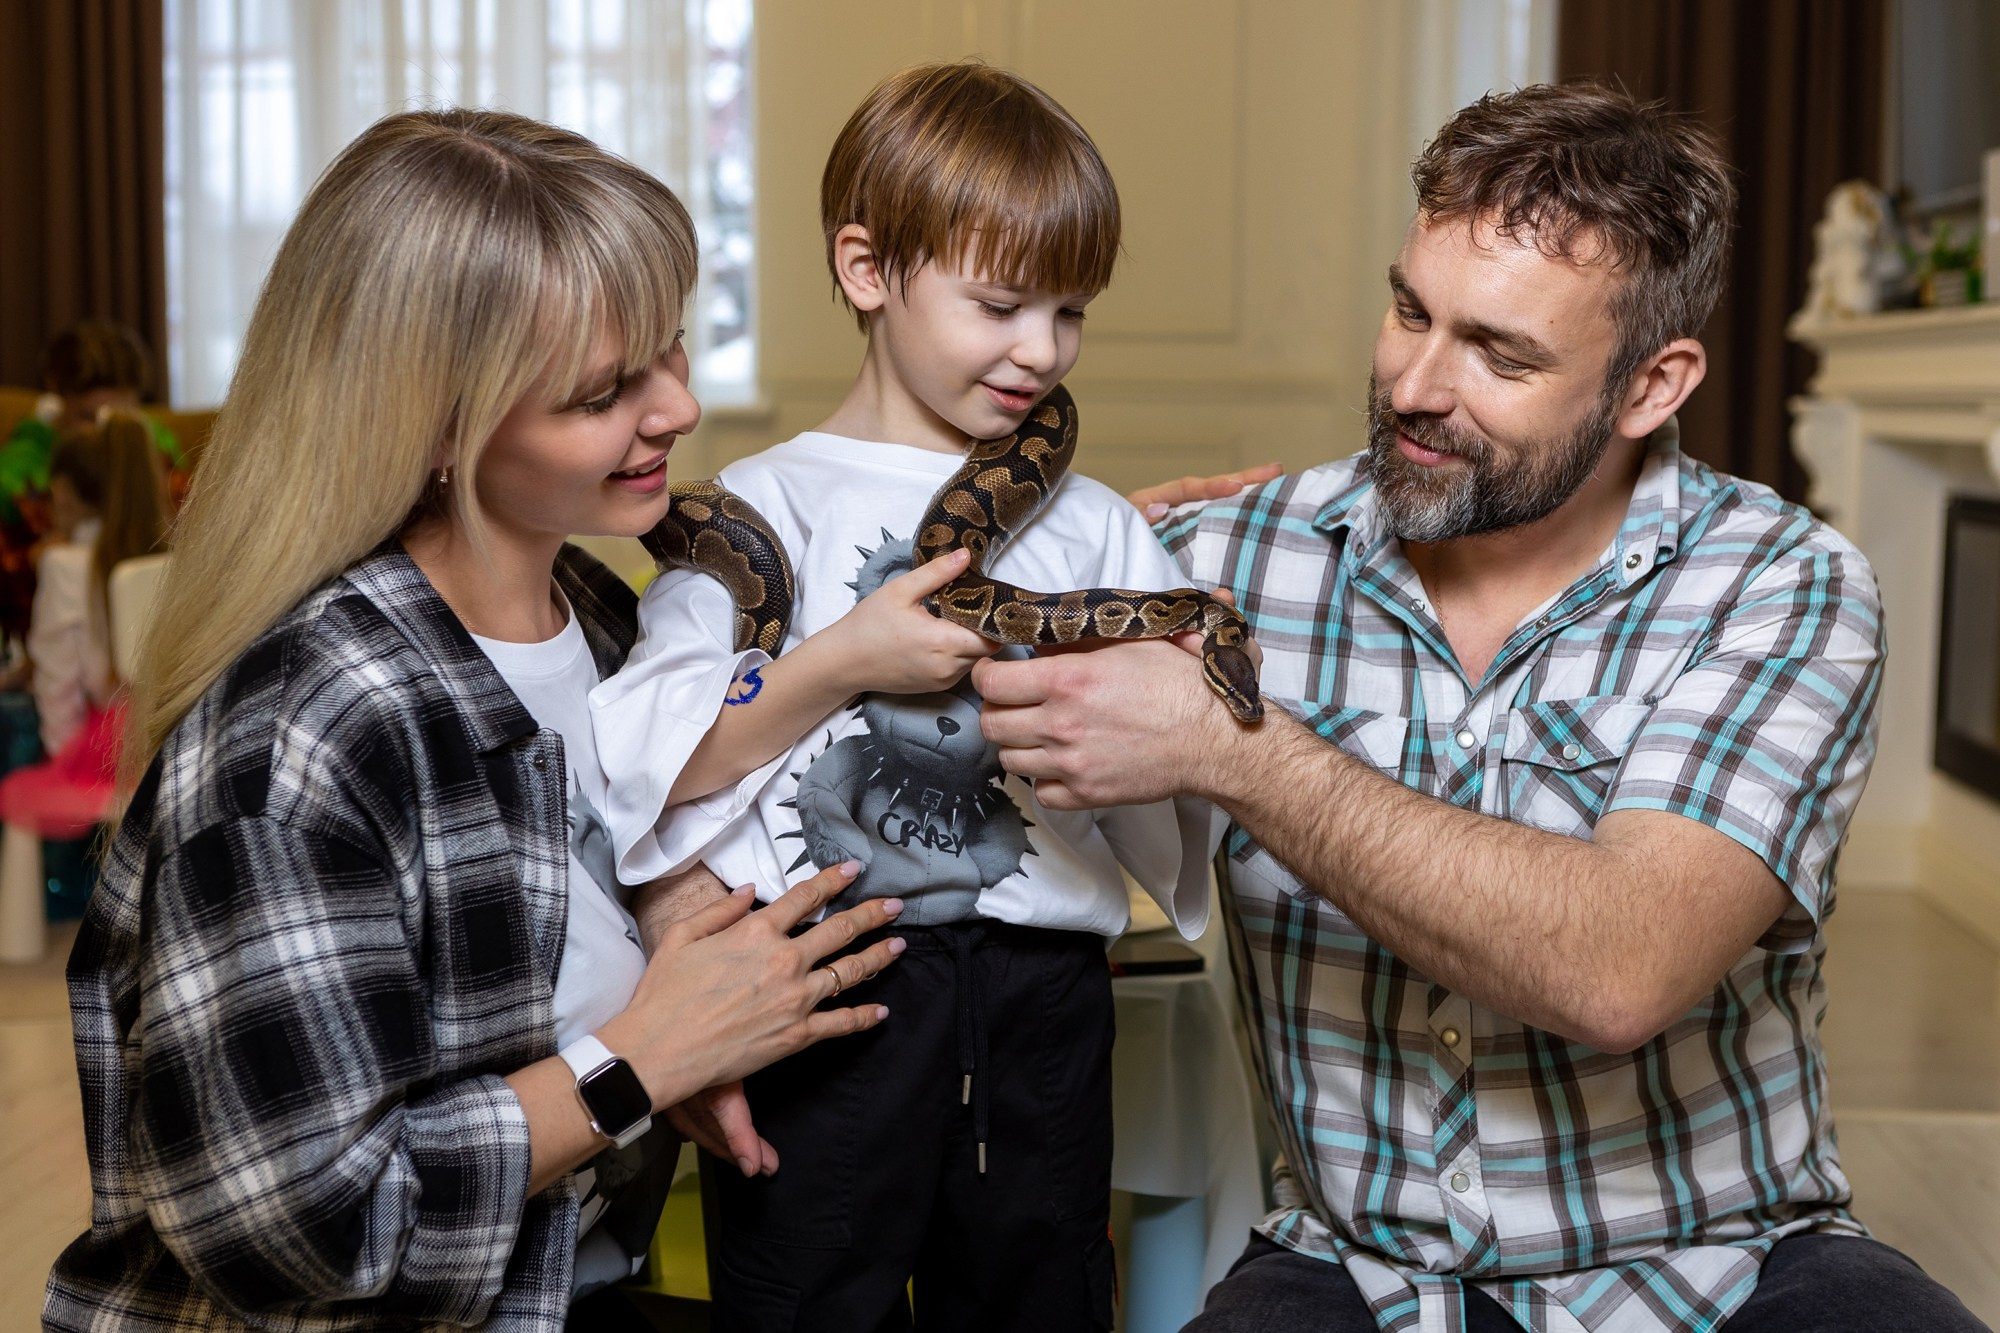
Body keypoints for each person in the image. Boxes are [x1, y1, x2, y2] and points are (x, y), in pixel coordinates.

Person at [974, 83, 1989, 1332]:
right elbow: (899, 683)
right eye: (1409, 310)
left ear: (1648, 385)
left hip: (1730, 1267)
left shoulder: (1781, 584)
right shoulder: (1216, 564)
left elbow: (1623, 965)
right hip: (1353, 1272)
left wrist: (1232, 750)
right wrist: (1067, 557)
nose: (1412, 383)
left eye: (1500, 353)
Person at [44, 109, 909, 1331]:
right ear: (440, 422)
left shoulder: (604, 620)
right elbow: (296, 1225)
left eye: (668, 348)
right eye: (606, 389)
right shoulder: (299, 738)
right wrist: (638, 1062)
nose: (677, 409)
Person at [589, 61, 1215, 1330]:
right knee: (813, 1298)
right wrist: (843, 661)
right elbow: (646, 764)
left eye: (1069, 312)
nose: (1039, 350)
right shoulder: (757, 508)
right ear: (869, 269)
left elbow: (1178, 774)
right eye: (998, 303)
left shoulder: (1091, 528)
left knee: (1041, 1297)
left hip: (1044, 1002)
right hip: (821, 989)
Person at [0, 414, 169, 910]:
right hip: (167, 738)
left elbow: (58, 683)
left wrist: (61, 757)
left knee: (15, 724)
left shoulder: (63, 564)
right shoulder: (162, 553)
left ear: (66, 495)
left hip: (108, 749)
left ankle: (60, 886)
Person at [0, 322, 185, 644]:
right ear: (56, 395)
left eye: (118, 418)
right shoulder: (21, 468)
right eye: (88, 418)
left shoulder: (155, 447)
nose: (105, 439)